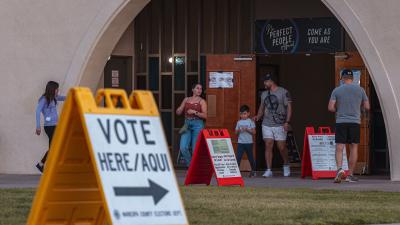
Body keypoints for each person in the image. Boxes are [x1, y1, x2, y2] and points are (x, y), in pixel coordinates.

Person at [328, 69, 370, 183]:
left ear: (342, 78)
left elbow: (330, 108)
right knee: (354, 147)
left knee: (340, 147)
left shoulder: (337, 90)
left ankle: (340, 169)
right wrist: (358, 107)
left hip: (341, 121)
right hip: (355, 122)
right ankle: (350, 174)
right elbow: (367, 106)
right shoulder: (360, 90)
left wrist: (339, 109)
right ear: (352, 78)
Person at [254, 74, 292, 177]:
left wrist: (287, 122)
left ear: (271, 81)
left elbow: (289, 108)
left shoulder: (283, 92)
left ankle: (286, 164)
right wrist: (258, 116)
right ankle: (269, 169)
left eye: (266, 82)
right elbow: (262, 107)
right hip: (266, 123)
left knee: (281, 147)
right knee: (268, 144)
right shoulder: (264, 94)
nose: (264, 84)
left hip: (280, 123)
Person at [35, 81, 66, 173]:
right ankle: (47, 167)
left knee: (54, 147)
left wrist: (75, 95)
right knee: (53, 147)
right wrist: (38, 126)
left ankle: (41, 164)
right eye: (57, 89)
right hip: (49, 127)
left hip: (55, 126)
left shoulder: (54, 98)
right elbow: (37, 111)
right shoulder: (44, 99)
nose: (58, 90)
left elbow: (64, 98)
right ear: (52, 89)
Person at [176, 83, 207, 167]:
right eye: (197, 88)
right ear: (192, 90)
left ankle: (194, 168)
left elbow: (205, 115)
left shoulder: (202, 101)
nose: (199, 90)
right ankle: (191, 165)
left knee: (195, 149)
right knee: (183, 147)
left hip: (198, 124)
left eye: (200, 89)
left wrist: (194, 112)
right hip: (187, 124)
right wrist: (179, 110)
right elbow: (179, 111)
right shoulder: (186, 99)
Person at [235, 105, 257, 177]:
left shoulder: (251, 122)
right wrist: (240, 130)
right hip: (240, 143)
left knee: (250, 157)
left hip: (249, 143)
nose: (243, 115)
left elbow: (254, 132)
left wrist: (247, 129)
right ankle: (236, 172)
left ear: (248, 114)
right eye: (241, 114)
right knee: (238, 157)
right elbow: (236, 132)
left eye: (244, 114)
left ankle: (253, 170)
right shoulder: (239, 122)